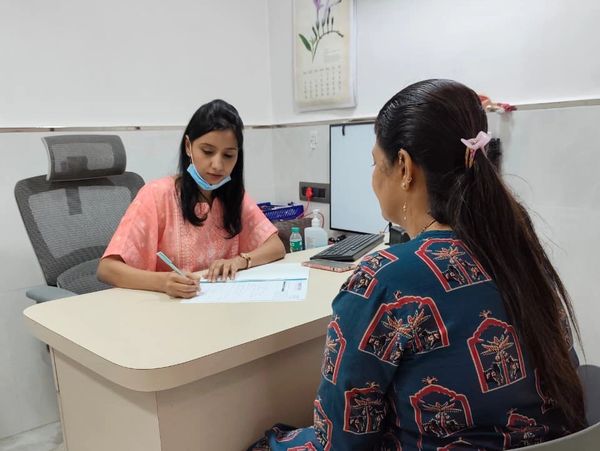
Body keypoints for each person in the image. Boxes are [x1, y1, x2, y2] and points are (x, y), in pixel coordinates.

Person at [249, 80, 586, 450]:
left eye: (377, 164)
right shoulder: (519, 251)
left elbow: (341, 440)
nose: (374, 178)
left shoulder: (385, 279)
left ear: (405, 167)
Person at [97, 99, 285, 298]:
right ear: (188, 146)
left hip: (221, 309)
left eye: (228, 155)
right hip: (166, 311)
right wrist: (163, 282)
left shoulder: (233, 195)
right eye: (207, 151)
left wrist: (240, 261)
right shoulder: (156, 195)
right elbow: (107, 269)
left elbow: (276, 246)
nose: (217, 165)